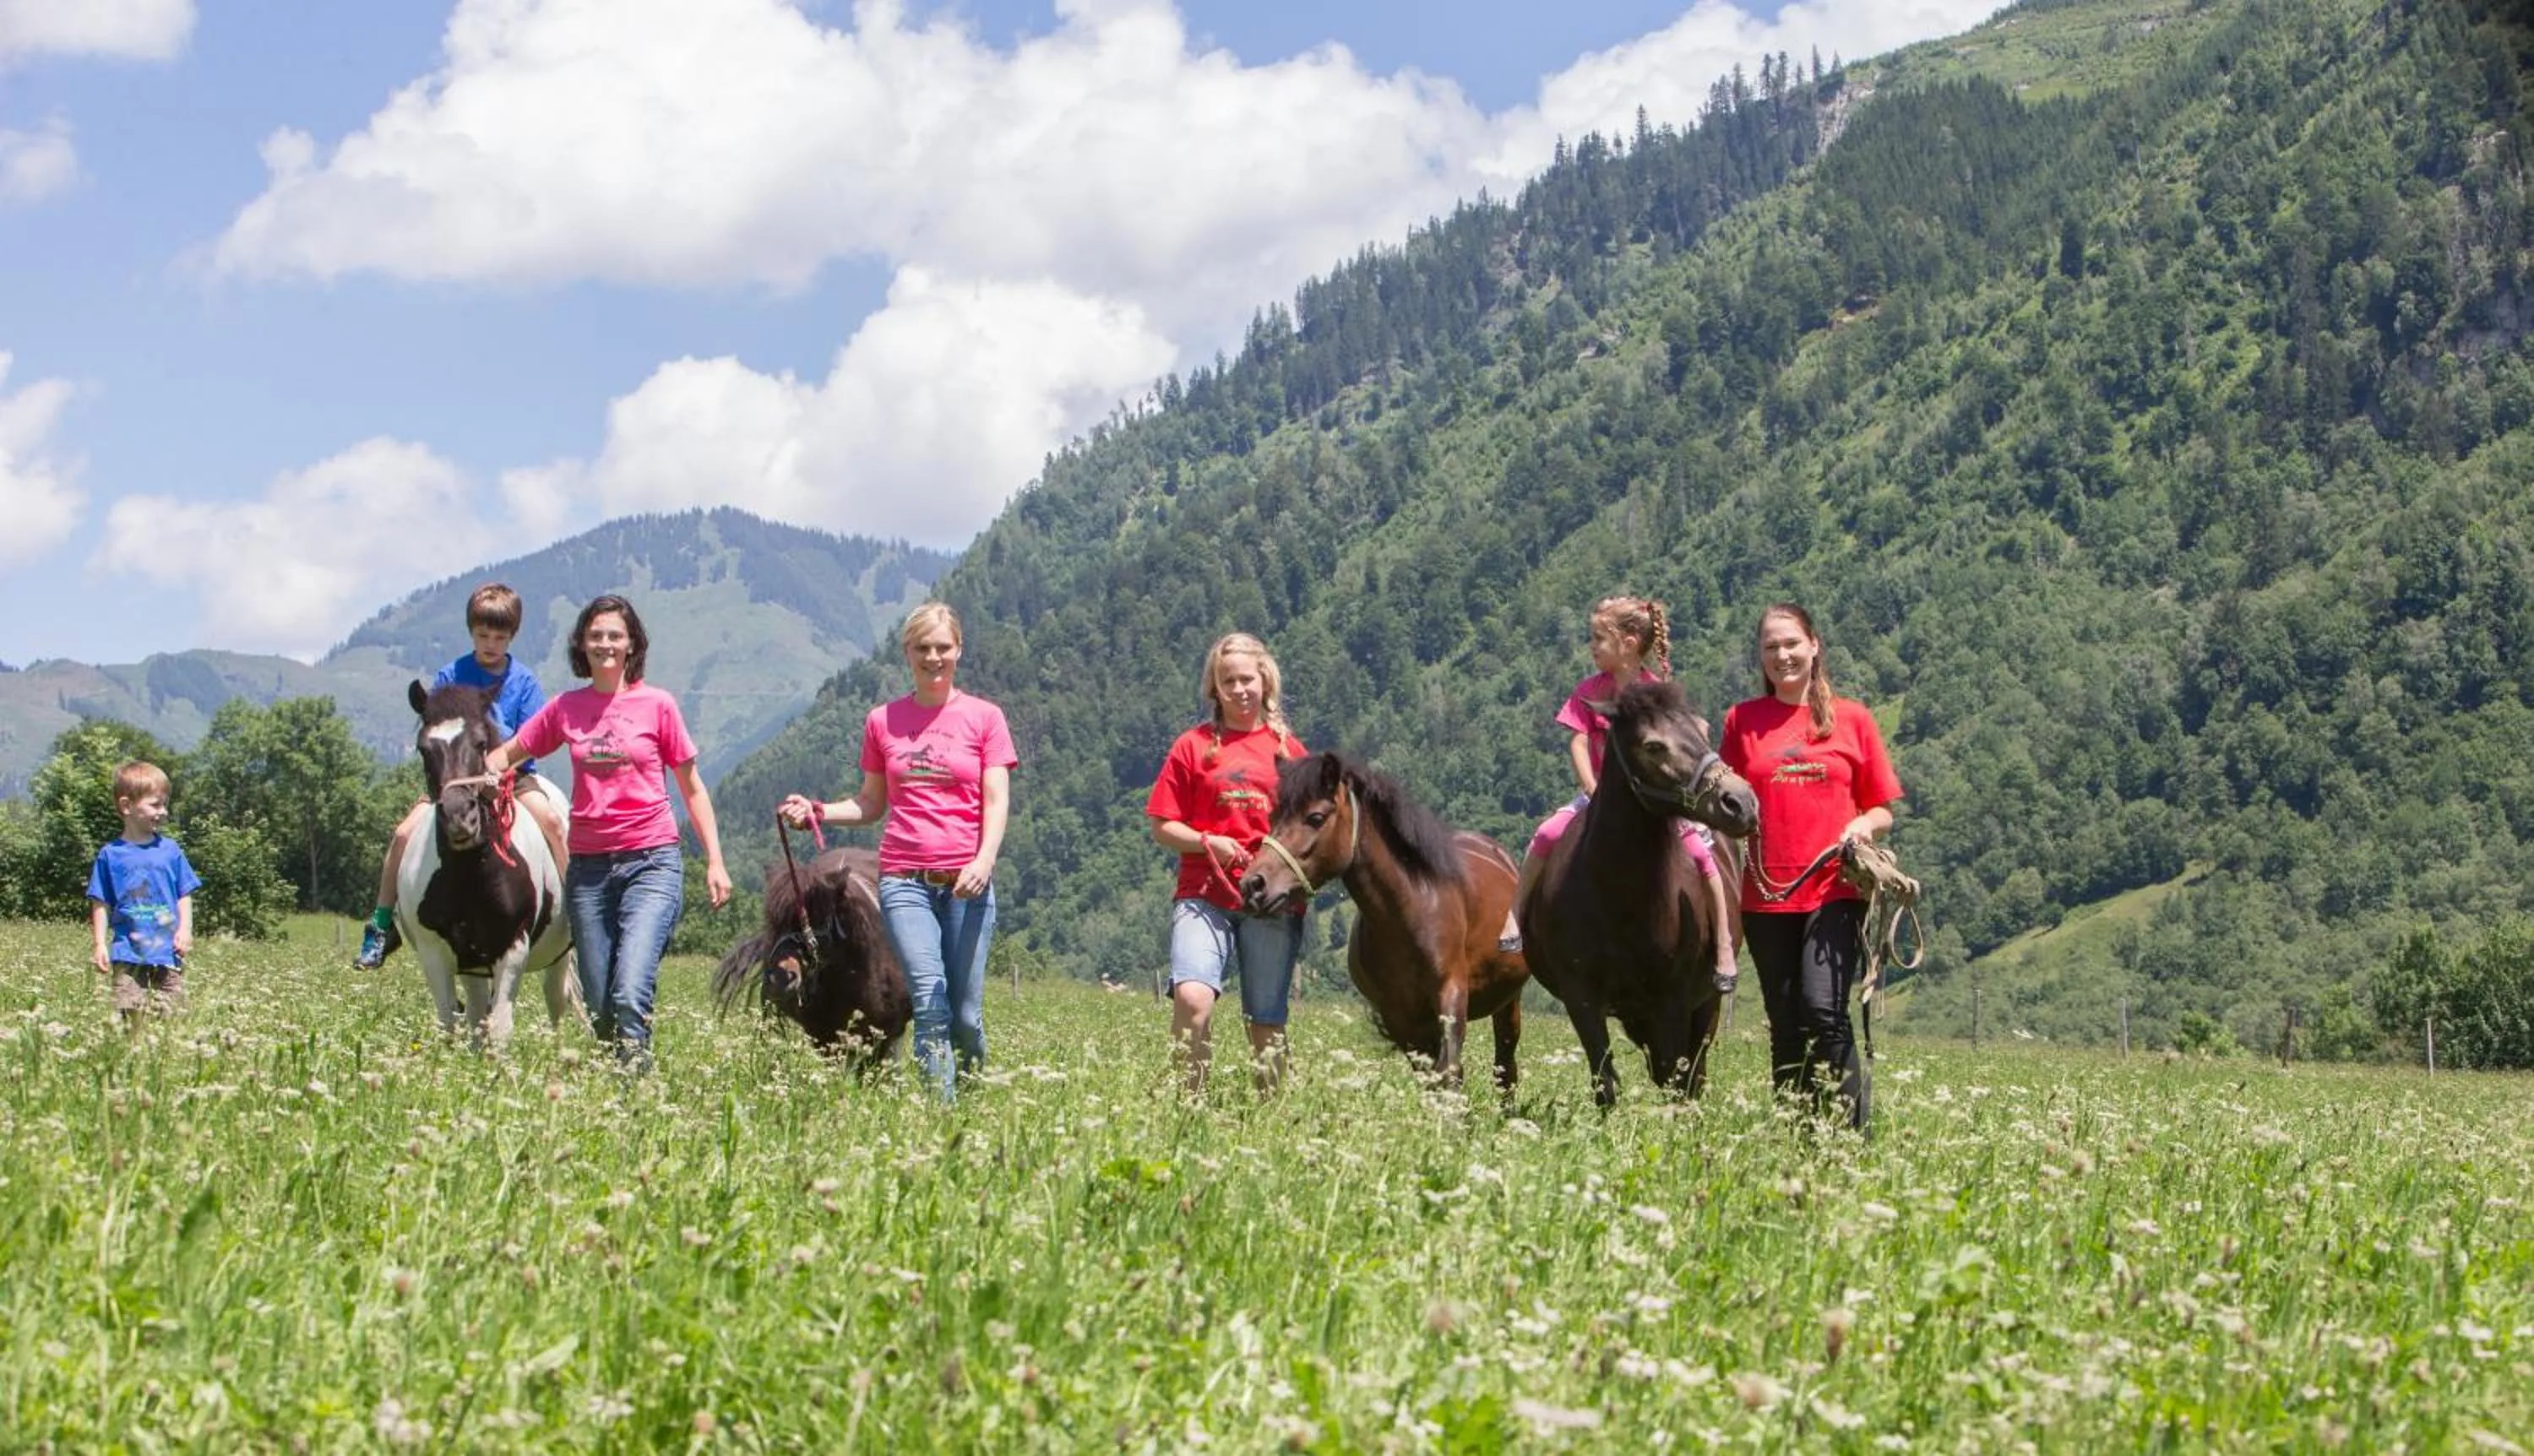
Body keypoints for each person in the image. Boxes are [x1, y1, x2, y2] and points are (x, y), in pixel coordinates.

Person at [483, 594, 731, 1068]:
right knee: (599, 1007)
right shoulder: (566, 708)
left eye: (615, 635)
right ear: (582, 644)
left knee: (629, 991)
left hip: (651, 862)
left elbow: (693, 789)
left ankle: (636, 1098)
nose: (605, 644)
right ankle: (616, 1092)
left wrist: (715, 861)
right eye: (596, 635)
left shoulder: (657, 705)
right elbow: (507, 753)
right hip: (589, 872)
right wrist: (490, 774)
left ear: (632, 643)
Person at [780, 603, 1014, 1103]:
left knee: (966, 1018)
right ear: (907, 653)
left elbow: (996, 800)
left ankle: (972, 1102)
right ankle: (941, 1120)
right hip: (904, 882)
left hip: (967, 885)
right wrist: (819, 810)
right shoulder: (883, 721)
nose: (934, 658)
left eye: (943, 648)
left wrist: (983, 861)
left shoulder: (985, 719)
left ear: (959, 650)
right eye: (923, 649)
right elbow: (869, 803)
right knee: (930, 1004)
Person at [1719, 603, 1902, 1134]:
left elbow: (1882, 807)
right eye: (1772, 647)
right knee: (1784, 1026)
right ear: (1761, 655)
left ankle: (1851, 1138)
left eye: (1792, 644)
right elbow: (1724, 808)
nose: (1783, 655)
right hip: (1764, 893)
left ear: (1814, 645)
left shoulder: (1853, 718)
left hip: (1833, 889)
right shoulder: (1741, 721)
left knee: (1824, 1010)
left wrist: (1863, 828)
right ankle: (1797, 1137)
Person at [1499, 595, 1737, 991]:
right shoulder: (1591, 690)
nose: (1591, 647)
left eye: (1598, 638)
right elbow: (1577, 742)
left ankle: (1724, 944)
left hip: (1653, 804)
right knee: (1546, 834)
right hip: (1600, 798)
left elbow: (1692, 729)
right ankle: (1516, 913)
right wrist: (1590, 788)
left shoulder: (1655, 692)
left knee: (1700, 852)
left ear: (1628, 642)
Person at [356, 583, 570, 969]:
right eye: (483, 635)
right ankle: (381, 924)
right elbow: (437, 727)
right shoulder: (450, 674)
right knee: (404, 834)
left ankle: (577, 916)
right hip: (455, 780)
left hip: (513, 777)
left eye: (499, 637)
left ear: (513, 636)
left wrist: (501, 770)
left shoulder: (524, 681)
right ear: (471, 631)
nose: (490, 644)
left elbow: (531, 739)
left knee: (553, 822)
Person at [1146, 632, 1309, 1095]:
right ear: (1214, 689)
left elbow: (1309, 830)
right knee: (1192, 1000)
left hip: (1271, 901)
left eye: (1247, 680)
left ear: (1265, 682)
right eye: (1228, 681)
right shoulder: (1192, 746)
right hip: (1204, 895)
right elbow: (1162, 826)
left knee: (1266, 1022)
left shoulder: (1289, 752)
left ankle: (1273, 1124)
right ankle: (1188, 1109)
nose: (1239, 690)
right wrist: (1206, 841)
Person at [88, 760, 202, 1025]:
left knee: (173, 1014)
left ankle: (164, 1058)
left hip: (167, 949)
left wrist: (185, 930)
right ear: (126, 806)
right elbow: (100, 902)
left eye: (165, 804)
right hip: (127, 950)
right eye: (155, 804)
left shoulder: (171, 851)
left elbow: (184, 894)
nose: (163, 812)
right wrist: (99, 943)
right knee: (128, 1014)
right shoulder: (110, 855)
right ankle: (131, 1055)